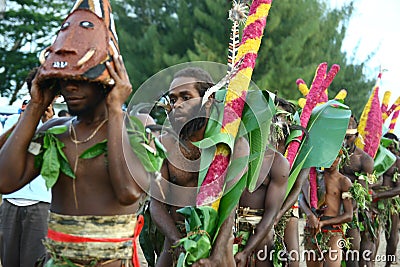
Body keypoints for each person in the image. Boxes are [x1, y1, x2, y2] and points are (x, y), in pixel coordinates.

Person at [0, 0, 151, 265]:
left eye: (81, 79)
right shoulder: (55, 132)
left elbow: (128, 192)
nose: (70, 88)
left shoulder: (134, 131)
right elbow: (4, 181)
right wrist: (35, 107)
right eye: (65, 80)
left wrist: (115, 109)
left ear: (107, 80)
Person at [149, 67, 249, 267]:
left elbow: (230, 207)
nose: (176, 105)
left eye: (185, 97)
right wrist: (178, 243)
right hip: (176, 243)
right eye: (173, 99)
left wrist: (216, 255)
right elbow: (156, 204)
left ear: (208, 100)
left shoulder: (232, 145)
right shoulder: (166, 143)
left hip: (219, 244)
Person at [0, 68, 54, 267]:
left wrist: (48, 121)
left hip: (41, 203)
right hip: (10, 202)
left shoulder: (58, 123)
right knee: (9, 261)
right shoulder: (15, 119)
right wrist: (25, 119)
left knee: (35, 262)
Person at [234, 147, 289, 267]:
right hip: (231, 235)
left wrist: (246, 252)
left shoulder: (277, 162)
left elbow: (271, 214)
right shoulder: (231, 153)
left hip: (261, 238)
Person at [300, 153, 353, 267]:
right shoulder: (314, 177)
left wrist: (323, 222)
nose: (332, 161)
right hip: (312, 229)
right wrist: (310, 215)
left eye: (336, 157)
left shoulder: (343, 181)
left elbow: (349, 215)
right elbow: (301, 198)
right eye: (330, 156)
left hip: (333, 231)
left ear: (341, 158)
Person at [339, 115, 375, 267]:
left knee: (354, 247)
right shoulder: (333, 154)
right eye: (342, 136)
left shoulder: (364, 159)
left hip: (354, 205)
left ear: (357, 136)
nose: (345, 141)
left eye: (349, 137)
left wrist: (349, 211)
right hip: (332, 202)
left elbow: (362, 190)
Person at [372, 132, 400, 267]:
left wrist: (378, 196)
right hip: (374, 202)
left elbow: (399, 188)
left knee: (392, 235)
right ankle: (370, 262)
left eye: (392, 146)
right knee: (373, 234)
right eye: (386, 145)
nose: (389, 149)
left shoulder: (398, 162)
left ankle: (388, 265)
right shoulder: (377, 158)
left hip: (391, 202)